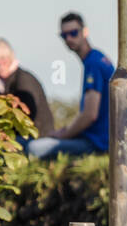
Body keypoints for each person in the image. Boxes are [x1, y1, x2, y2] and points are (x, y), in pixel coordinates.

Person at [26, 13, 115, 161]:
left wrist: (64, 135)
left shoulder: (93, 63)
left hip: (98, 143)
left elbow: (89, 115)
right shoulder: (97, 58)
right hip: (100, 138)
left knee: (34, 148)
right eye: (64, 35)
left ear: (85, 32)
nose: (69, 39)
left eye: (73, 33)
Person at [0, 37, 53, 142]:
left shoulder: (24, 79)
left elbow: (28, 115)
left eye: (2, 59)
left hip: (35, 137)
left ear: (10, 56)